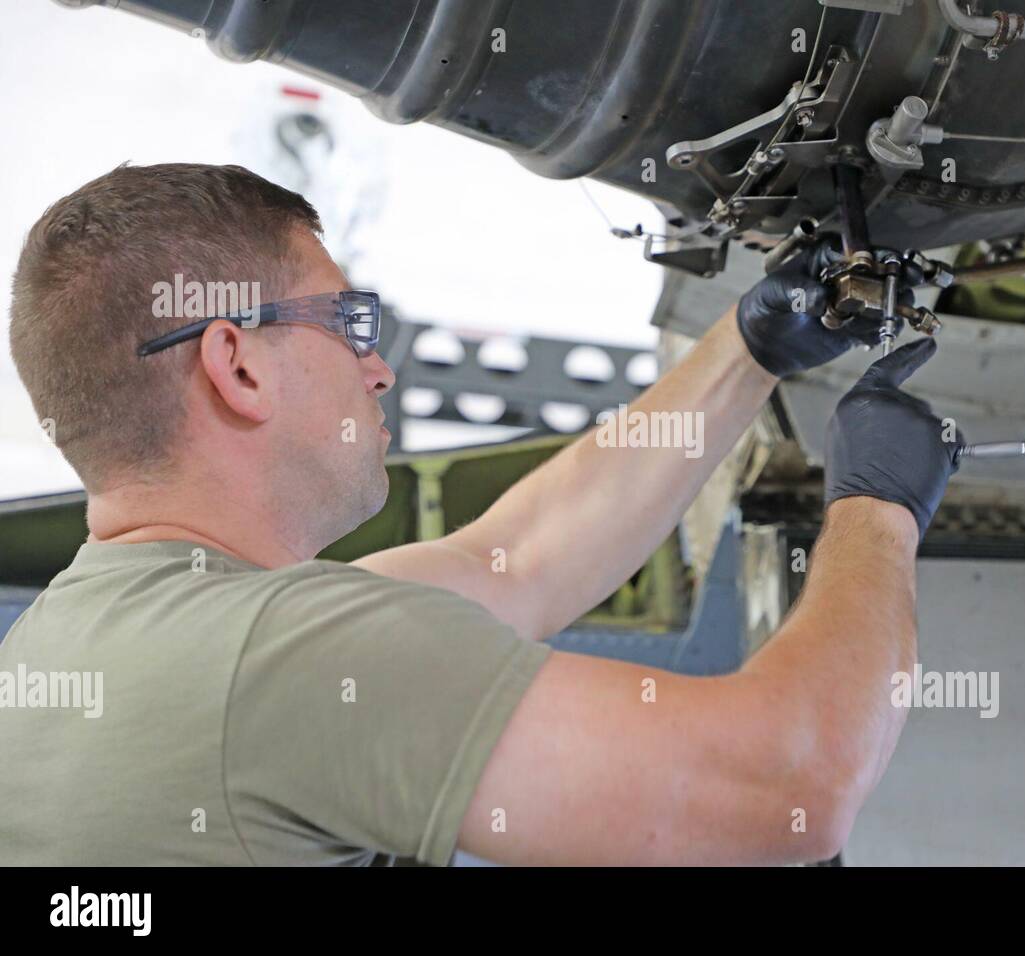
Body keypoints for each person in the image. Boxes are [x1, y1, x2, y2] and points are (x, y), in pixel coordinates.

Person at [1, 163, 960, 865]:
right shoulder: (287, 661)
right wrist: (880, 506)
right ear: (236, 364)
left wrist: (752, 350)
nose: (378, 367)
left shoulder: (75, 649)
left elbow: (522, 559)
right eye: (349, 325)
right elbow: (791, 780)